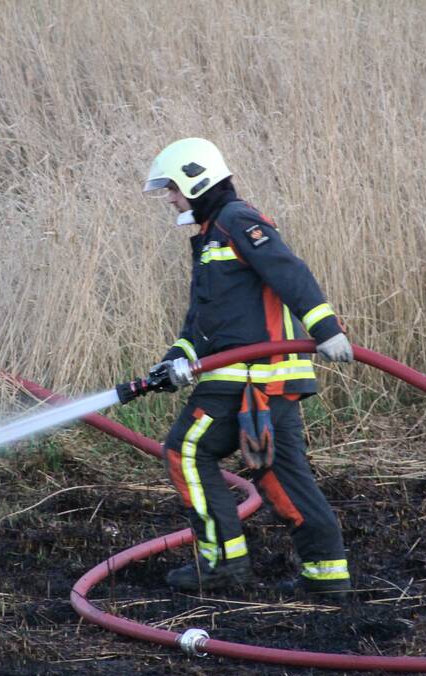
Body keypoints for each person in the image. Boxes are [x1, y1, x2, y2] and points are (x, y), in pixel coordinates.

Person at [142, 138, 355, 597]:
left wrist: (325, 327)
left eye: (174, 188)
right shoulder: (210, 235)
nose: (171, 199)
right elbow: (202, 318)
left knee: (187, 452)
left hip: (247, 377)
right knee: (277, 472)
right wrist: (173, 359)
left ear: (196, 180)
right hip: (255, 379)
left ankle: (223, 563)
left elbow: (288, 270)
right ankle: (328, 576)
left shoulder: (237, 220)